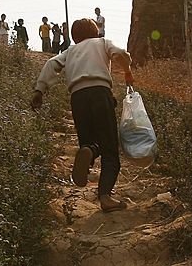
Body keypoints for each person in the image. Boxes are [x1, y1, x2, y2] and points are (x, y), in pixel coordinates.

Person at [30, 18, 133, 212]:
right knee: (110, 150)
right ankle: (105, 197)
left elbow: (52, 64)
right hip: (100, 94)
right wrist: (127, 70)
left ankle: (90, 150)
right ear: (95, 32)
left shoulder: (70, 51)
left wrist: (39, 91)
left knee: (88, 142)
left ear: (74, 37)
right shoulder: (102, 43)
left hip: (77, 98)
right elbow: (120, 54)